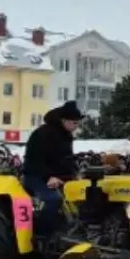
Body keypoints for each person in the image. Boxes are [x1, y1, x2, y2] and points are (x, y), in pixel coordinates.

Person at [22, 101, 82, 237]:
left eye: (78, 123)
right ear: (64, 120)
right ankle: (42, 235)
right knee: (53, 199)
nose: (76, 127)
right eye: (74, 123)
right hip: (36, 176)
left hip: (60, 178)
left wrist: (75, 173)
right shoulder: (43, 134)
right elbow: (35, 160)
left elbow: (66, 160)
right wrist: (49, 177)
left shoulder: (66, 136)